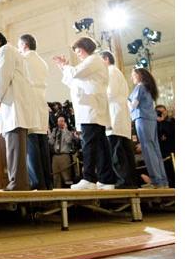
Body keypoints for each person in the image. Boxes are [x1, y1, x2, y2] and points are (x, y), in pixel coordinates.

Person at [53, 37, 117, 190]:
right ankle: (106, 179)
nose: (78, 54)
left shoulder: (94, 60)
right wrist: (64, 68)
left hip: (92, 108)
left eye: (78, 51)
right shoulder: (91, 64)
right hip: (92, 108)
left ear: (82, 49)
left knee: (89, 144)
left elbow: (75, 73)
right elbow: (73, 81)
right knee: (100, 145)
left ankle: (89, 178)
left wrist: (65, 66)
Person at [0, 30, 37, 191]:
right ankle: (19, 182)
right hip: (12, 105)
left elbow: (3, 76)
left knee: (15, 147)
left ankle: (18, 183)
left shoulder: (6, 50)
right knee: (14, 147)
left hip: (13, 105)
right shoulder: (7, 52)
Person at [18, 34, 52, 190]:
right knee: (42, 143)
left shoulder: (24, 59)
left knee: (31, 144)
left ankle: (37, 182)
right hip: (41, 100)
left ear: (24, 45)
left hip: (30, 101)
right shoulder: (42, 62)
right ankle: (47, 182)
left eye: (19, 45)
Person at [100, 51, 137, 188]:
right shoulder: (116, 72)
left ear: (106, 59)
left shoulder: (111, 72)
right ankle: (130, 181)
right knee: (124, 151)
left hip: (115, 114)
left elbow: (110, 92)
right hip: (119, 114)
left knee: (118, 151)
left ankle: (123, 182)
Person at [128, 68, 169, 188]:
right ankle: (162, 181)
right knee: (155, 150)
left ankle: (156, 181)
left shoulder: (140, 87)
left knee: (148, 150)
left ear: (140, 75)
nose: (132, 78)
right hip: (151, 120)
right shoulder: (148, 88)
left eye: (133, 75)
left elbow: (133, 106)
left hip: (142, 119)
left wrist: (125, 100)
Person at [48, 116, 76, 188]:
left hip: (64, 156)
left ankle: (68, 195)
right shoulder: (55, 131)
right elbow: (50, 142)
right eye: (59, 121)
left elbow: (68, 140)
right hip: (55, 156)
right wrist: (51, 134)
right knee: (56, 177)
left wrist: (65, 130)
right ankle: (57, 196)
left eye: (62, 121)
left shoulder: (69, 132)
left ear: (65, 122)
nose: (60, 123)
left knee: (66, 177)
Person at [155, 105, 175, 188]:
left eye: (163, 111)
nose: (161, 114)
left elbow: (169, 132)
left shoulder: (171, 122)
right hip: (160, 154)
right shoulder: (154, 124)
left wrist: (163, 121)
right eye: (159, 112)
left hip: (171, 152)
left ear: (166, 111)